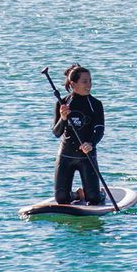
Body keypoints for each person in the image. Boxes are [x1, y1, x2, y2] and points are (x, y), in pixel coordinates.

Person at [52, 63, 105, 205]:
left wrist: (91, 143)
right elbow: (56, 133)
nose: (89, 85)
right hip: (65, 156)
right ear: (73, 84)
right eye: (85, 81)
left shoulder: (95, 104)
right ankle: (77, 194)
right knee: (62, 200)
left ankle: (99, 193)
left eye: (90, 81)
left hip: (87, 157)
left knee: (93, 200)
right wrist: (63, 118)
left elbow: (100, 130)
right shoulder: (62, 103)